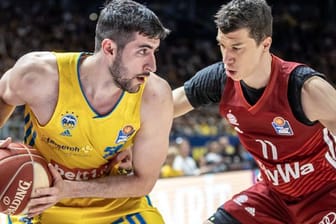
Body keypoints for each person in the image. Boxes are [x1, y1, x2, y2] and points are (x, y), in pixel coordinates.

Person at [0, 0, 173, 223]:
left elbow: (143, 182)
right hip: (41, 198)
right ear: (109, 48)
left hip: (115, 206)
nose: (152, 65)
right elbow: (3, 97)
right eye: (143, 51)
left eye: (154, 51)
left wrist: (69, 189)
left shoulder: (155, 96)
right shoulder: (39, 75)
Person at [173, 0, 336, 223]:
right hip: (272, 197)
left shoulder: (306, 90)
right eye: (222, 45)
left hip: (324, 196)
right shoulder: (220, 79)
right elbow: (166, 105)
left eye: (237, 47)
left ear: (265, 44)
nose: (226, 57)